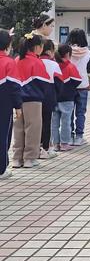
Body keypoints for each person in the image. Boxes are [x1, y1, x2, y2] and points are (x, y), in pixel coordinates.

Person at [13, 33, 49, 168]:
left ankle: (17, 158)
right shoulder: (36, 62)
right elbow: (44, 83)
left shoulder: (16, 60)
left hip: (17, 101)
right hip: (33, 100)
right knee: (33, 129)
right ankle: (30, 158)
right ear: (37, 47)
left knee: (18, 129)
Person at [0, 29, 22, 180]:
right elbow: (15, 88)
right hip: (4, 105)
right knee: (3, 136)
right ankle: (1, 169)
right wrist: (18, 106)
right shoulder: (8, 62)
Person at [66, 28, 90, 146]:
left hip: (69, 84)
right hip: (82, 85)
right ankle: (79, 137)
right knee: (81, 112)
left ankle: (69, 136)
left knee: (69, 112)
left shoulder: (66, 51)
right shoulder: (88, 52)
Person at [53, 45, 82, 152]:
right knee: (66, 122)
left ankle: (55, 144)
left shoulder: (54, 65)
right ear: (68, 54)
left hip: (55, 98)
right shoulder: (70, 66)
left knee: (54, 123)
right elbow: (78, 80)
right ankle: (64, 143)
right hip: (67, 98)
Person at [39, 40, 62, 159]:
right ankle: (46, 148)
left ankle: (36, 147)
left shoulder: (36, 61)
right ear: (49, 51)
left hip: (35, 98)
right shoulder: (54, 64)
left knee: (36, 123)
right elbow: (59, 83)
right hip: (49, 97)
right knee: (47, 122)